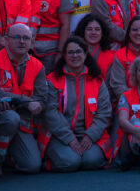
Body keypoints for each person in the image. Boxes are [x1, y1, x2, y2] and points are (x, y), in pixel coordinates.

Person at [0, 23, 54, 175]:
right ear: (6, 40)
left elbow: (41, 99)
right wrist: (25, 101)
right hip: (0, 117)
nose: (22, 42)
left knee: (32, 166)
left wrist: (29, 104)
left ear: (31, 42)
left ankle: (8, 156)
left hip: (24, 122)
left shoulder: (37, 66)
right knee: (10, 118)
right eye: (16, 37)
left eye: (26, 38)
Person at [39, 37, 114, 172]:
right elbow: (50, 113)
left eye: (78, 52)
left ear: (85, 54)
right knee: (70, 162)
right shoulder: (52, 80)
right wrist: (70, 139)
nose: (75, 56)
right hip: (60, 136)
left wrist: (90, 136)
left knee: (91, 161)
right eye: (70, 52)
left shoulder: (97, 80)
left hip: (90, 135)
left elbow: (104, 113)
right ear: (64, 56)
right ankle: (47, 164)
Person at [76, 13, 115, 78]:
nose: (93, 32)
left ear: (102, 33)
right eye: (89, 29)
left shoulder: (112, 57)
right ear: (83, 31)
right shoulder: (74, 54)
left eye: (97, 29)